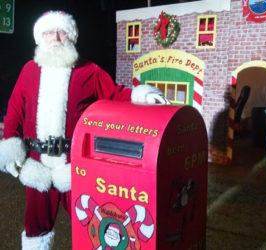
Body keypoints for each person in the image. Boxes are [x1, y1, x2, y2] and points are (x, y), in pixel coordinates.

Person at [0, 10, 168, 250]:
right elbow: (15, 108)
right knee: (35, 228)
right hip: (37, 165)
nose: (56, 39)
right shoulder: (29, 70)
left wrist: (143, 96)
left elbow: (115, 93)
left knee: (91, 219)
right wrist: (10, 147)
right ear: (40, 38)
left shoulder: (88, 71)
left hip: (74, 167)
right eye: (49, 33)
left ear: (71, 37)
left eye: (61, 32)